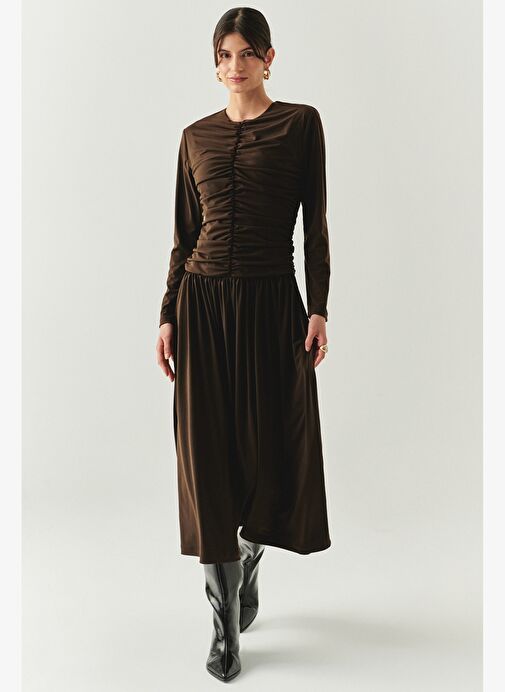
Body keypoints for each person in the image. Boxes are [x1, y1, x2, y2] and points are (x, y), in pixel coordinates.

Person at [155, 7, 331, 682]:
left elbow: (315, 226)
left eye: (246, 53)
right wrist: (166, 315)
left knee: (268, 449)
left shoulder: (300, 124)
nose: (235, 65)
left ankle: (251, 552)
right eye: (224, 55)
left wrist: (318, 308)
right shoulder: (193, 137)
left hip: (269, 304)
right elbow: (183, 236)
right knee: (206, 460)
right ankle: (223, 622)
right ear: (215, 63)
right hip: (200, 307)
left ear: (268, 58)